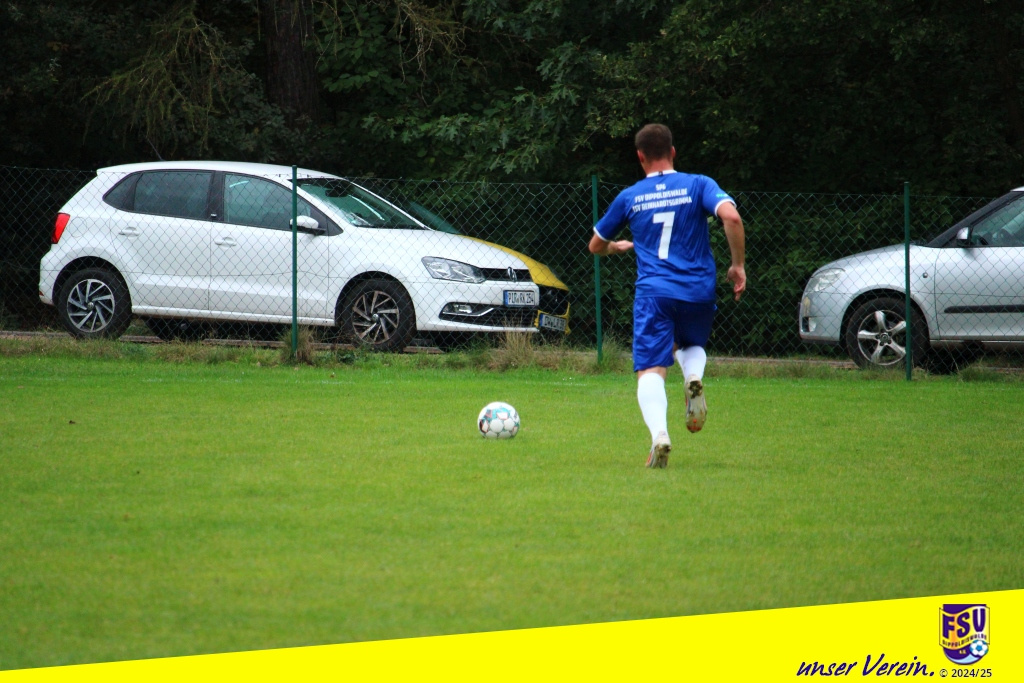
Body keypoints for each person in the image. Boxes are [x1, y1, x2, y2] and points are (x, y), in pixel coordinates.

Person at [588, 123, 746, 469]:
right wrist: (737, 266)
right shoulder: (698, 184)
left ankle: (659, 435)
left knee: (650, 369)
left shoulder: (630, 197)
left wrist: (615, 247)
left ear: (640, 157)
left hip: (654, 293)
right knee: (690, 344)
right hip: (698, 289)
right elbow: (732, 217)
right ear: (673, 152)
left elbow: (595, 245)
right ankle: (692, 377)